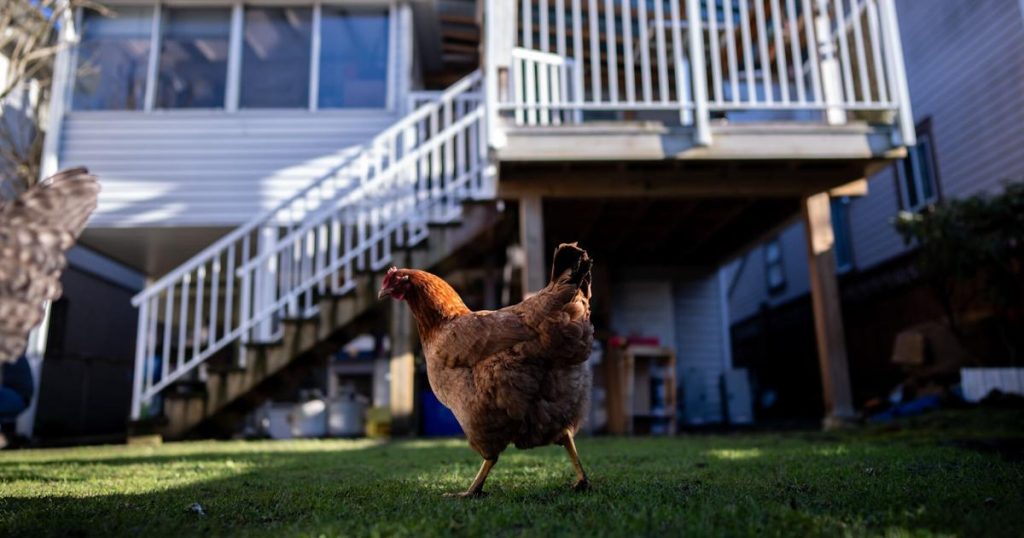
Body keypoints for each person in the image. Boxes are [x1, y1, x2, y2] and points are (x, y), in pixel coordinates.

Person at [0, 354, 34, 449]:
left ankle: (6, 440)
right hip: (17, 397)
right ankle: (6, 439)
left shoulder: (9, 351)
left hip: (17, 396)